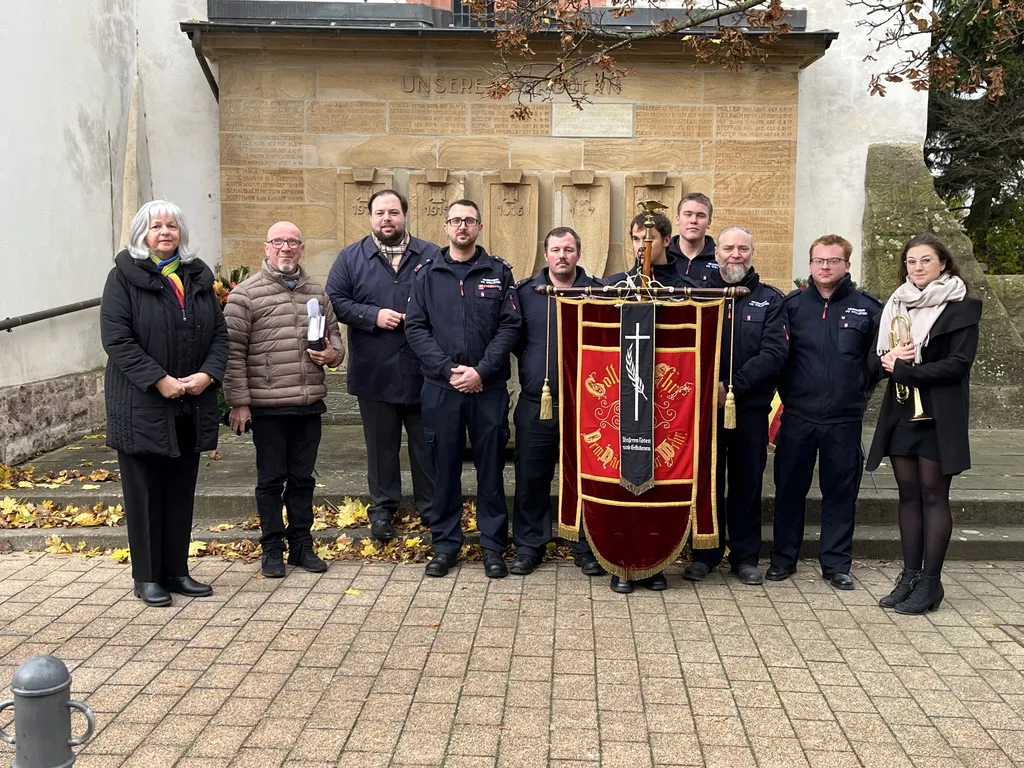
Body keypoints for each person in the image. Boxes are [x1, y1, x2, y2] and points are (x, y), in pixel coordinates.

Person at [101, 200, 228, 607]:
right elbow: (117, 339)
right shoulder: (123, 279)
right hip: (141, 405)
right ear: (143, 234)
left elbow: (220, 336)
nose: (165, 232)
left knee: (179, 492)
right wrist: (159, 380)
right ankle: (147, 577)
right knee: (145, 494)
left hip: (189, 403)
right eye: (156, 226)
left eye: (172, 226)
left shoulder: (196, 278)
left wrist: (207, 375)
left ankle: (176, 570)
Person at [405, 200, 522, 579]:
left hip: (487, 390)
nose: (462, 227)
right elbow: (416, 328)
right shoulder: (426, 273)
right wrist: (447, 369)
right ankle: (445, 544)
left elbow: (510, 328)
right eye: (456, 220)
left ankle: (492, 547)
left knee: (490, 469)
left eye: (469, 221)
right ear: (446, 227)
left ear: (480, 226)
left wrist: (482, 372)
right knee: (444, 469)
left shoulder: (499, 272)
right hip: (441, 388)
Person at [866, 233, 981, 614]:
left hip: (938, 414)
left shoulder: (962, 308)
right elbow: (877, 360)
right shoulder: (896, 304)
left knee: (933, 495)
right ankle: (910, 576)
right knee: (908, 494)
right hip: (902, 413)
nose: (917, 267)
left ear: (943, 264)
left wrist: (904, 369)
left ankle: (932, 582)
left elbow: (958, 364)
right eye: (912, 261)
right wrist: (889, 359)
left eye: (926, 260)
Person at [223, 222, 344, 579]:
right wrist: (239, 402)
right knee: (271, 480)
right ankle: (272, 547)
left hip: (308, 403)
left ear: (302, 249)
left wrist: (332, 355)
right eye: (279, 242)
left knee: (303, 478)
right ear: (266, 247)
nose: (286, 248)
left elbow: (335, 339)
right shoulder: (246, 295)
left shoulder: (316, 292)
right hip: (268, 406)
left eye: (293, 242)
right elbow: (232, 354)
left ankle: (302, 545)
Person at [768, 235, 883, 589]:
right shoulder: (791, 306)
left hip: (843, 419)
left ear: (847, 265)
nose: (825, 266)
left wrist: (858, 389)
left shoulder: (868, 308)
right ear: (810, 264)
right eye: (818, 260)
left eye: (833, 261)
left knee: (840, 492)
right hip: (798, 416)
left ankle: (835, 564)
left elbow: (879, 360)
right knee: (788, 489)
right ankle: (784, 559)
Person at [326, 189, 439, 540]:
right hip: (374, 371)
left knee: (427, 447)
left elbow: (447, 300)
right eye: (380, 213)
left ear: (405, 216)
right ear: (371, 218)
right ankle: (383, 510)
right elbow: (335, 301)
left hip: (423, 371)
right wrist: (372, 315)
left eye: (393, 212)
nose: (386, 218)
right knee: (381, 447)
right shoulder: (351, 258)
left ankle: (432, 509)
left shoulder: (432, 255)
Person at [684, 227, 788, 586]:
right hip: (702, 412)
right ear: (716, 254)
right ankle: (705, 553)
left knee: (746, 484)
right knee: (707, 483)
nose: (735, 255)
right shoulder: (697, 295)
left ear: (752, 253)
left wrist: (731, 388)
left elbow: (773, 354)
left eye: (743, 248)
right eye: (728, 248)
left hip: (749, 409)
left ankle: (744, 557)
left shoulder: (770, 300)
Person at [511, 227, 605, 577]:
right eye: (555, 249)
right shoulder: (526, 293)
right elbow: (510, 338)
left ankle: (586, 546)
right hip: (538, 404)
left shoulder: (597, 293)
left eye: (568, 249)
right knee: (531, 478)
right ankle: (530, 545)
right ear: (546, 254)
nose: (562, 255)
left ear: (578, 253)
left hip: (587, 406)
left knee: (584, 478)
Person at [607, 212, 690, 289]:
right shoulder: (616, 286)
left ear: (666, 240)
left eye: (648, 239)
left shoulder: (686, 288)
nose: (641, 246)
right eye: (636, 239)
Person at [667, 192, 718, 283]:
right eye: (688, 214)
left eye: (700, 216)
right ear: (678, 219)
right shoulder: (663, 256)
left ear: (709, 222)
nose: (693, 221)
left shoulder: (720, 258)